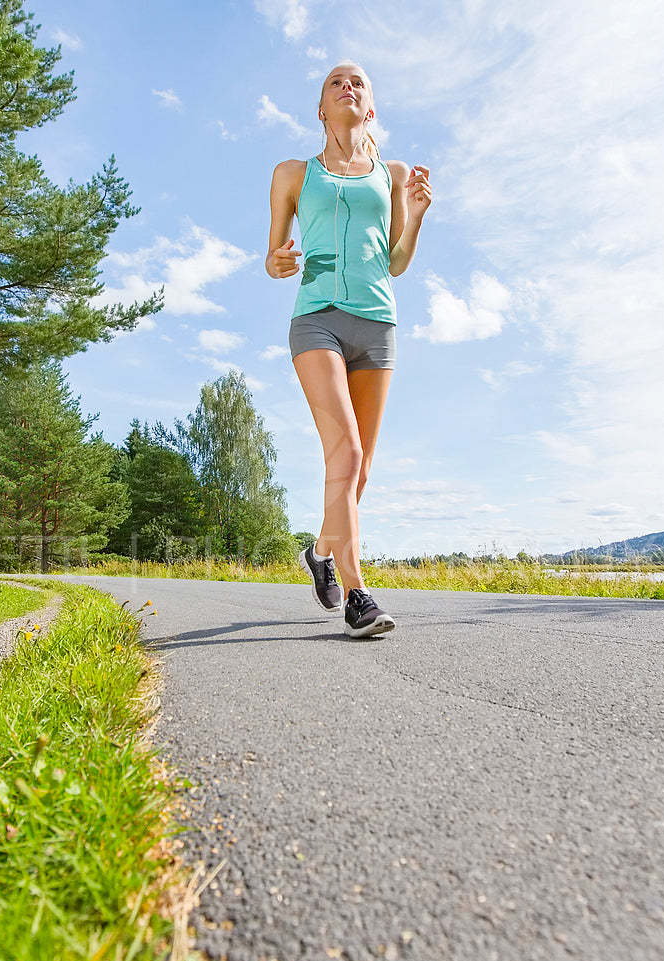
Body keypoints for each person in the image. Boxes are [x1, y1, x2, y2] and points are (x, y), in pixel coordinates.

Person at [266, 62, 432, 638]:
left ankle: (319, 552)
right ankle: (358, 593)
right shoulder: (292, 173)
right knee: (346, 450)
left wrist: (417, 218)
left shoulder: (393, 174)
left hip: (378, 324)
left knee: (358, 472)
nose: (348, 86)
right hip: (316, 321)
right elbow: (272, 256)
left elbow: (396, 261)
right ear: (321, 109)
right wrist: (278, 262)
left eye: (358, 82)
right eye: (337, 82)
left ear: (370, 108)